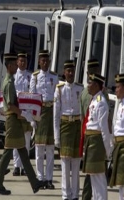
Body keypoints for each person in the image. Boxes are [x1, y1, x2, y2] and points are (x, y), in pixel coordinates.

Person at [0, 53, 44, 195]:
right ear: (10, 66)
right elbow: (10, 105)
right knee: (7, 153)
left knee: (22, 151)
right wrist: (26, 115)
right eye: (15, 64)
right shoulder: (9, 82)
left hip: (15, 120)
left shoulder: (9, 80)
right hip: (12, 120)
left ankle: (35, 183)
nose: (17, 66)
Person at [54, 60, 83, 200]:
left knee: (76, 161)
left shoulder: (80, 88)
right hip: (65, 125)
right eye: (68, 71)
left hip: (77, 125)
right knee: (65, 161)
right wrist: (56, 136)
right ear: (64, 73)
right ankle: (66, 195)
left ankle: (75, 194)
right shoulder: (59, 89)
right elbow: (56, 114)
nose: (70, 74)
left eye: (72, 71)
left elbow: (83, 112)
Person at [29, 50, 58, 189]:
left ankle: (49, 179)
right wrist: (32, 118)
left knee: (50, 149)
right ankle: (40, 177)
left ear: (49, 61)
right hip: (39, 112)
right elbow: (31, 98)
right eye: (42, 60)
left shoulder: (54, 77)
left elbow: (57, 98)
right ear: (39, 62)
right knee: (39, 149)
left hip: (51, 111)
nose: (45, 63)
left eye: (47, 60)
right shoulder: (34, 77)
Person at [80, 59, 109, 200]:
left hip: (97, 142)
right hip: (91, 141)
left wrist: (107, 150)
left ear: (97, 85)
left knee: (99, 177)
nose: (88, 86)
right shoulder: (94, 100)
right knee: (93, 176)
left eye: (90, 83)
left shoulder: (101, 103)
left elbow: (104, 129)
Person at [109, 74, 124, 200]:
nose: (116, 90)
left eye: (118, 87)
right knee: (120, 181)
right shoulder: (122, 104)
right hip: (119, 145)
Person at [12, 52, 32, 176]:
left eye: (24, 61)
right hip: (17, 110)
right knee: (16, 139)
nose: (23, 63)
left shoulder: (31, 76)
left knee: (26, 140)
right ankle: (16, 165)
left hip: (27, 111)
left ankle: (25, 166)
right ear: (17, 62)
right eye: (20, 61)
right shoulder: (13, 77)